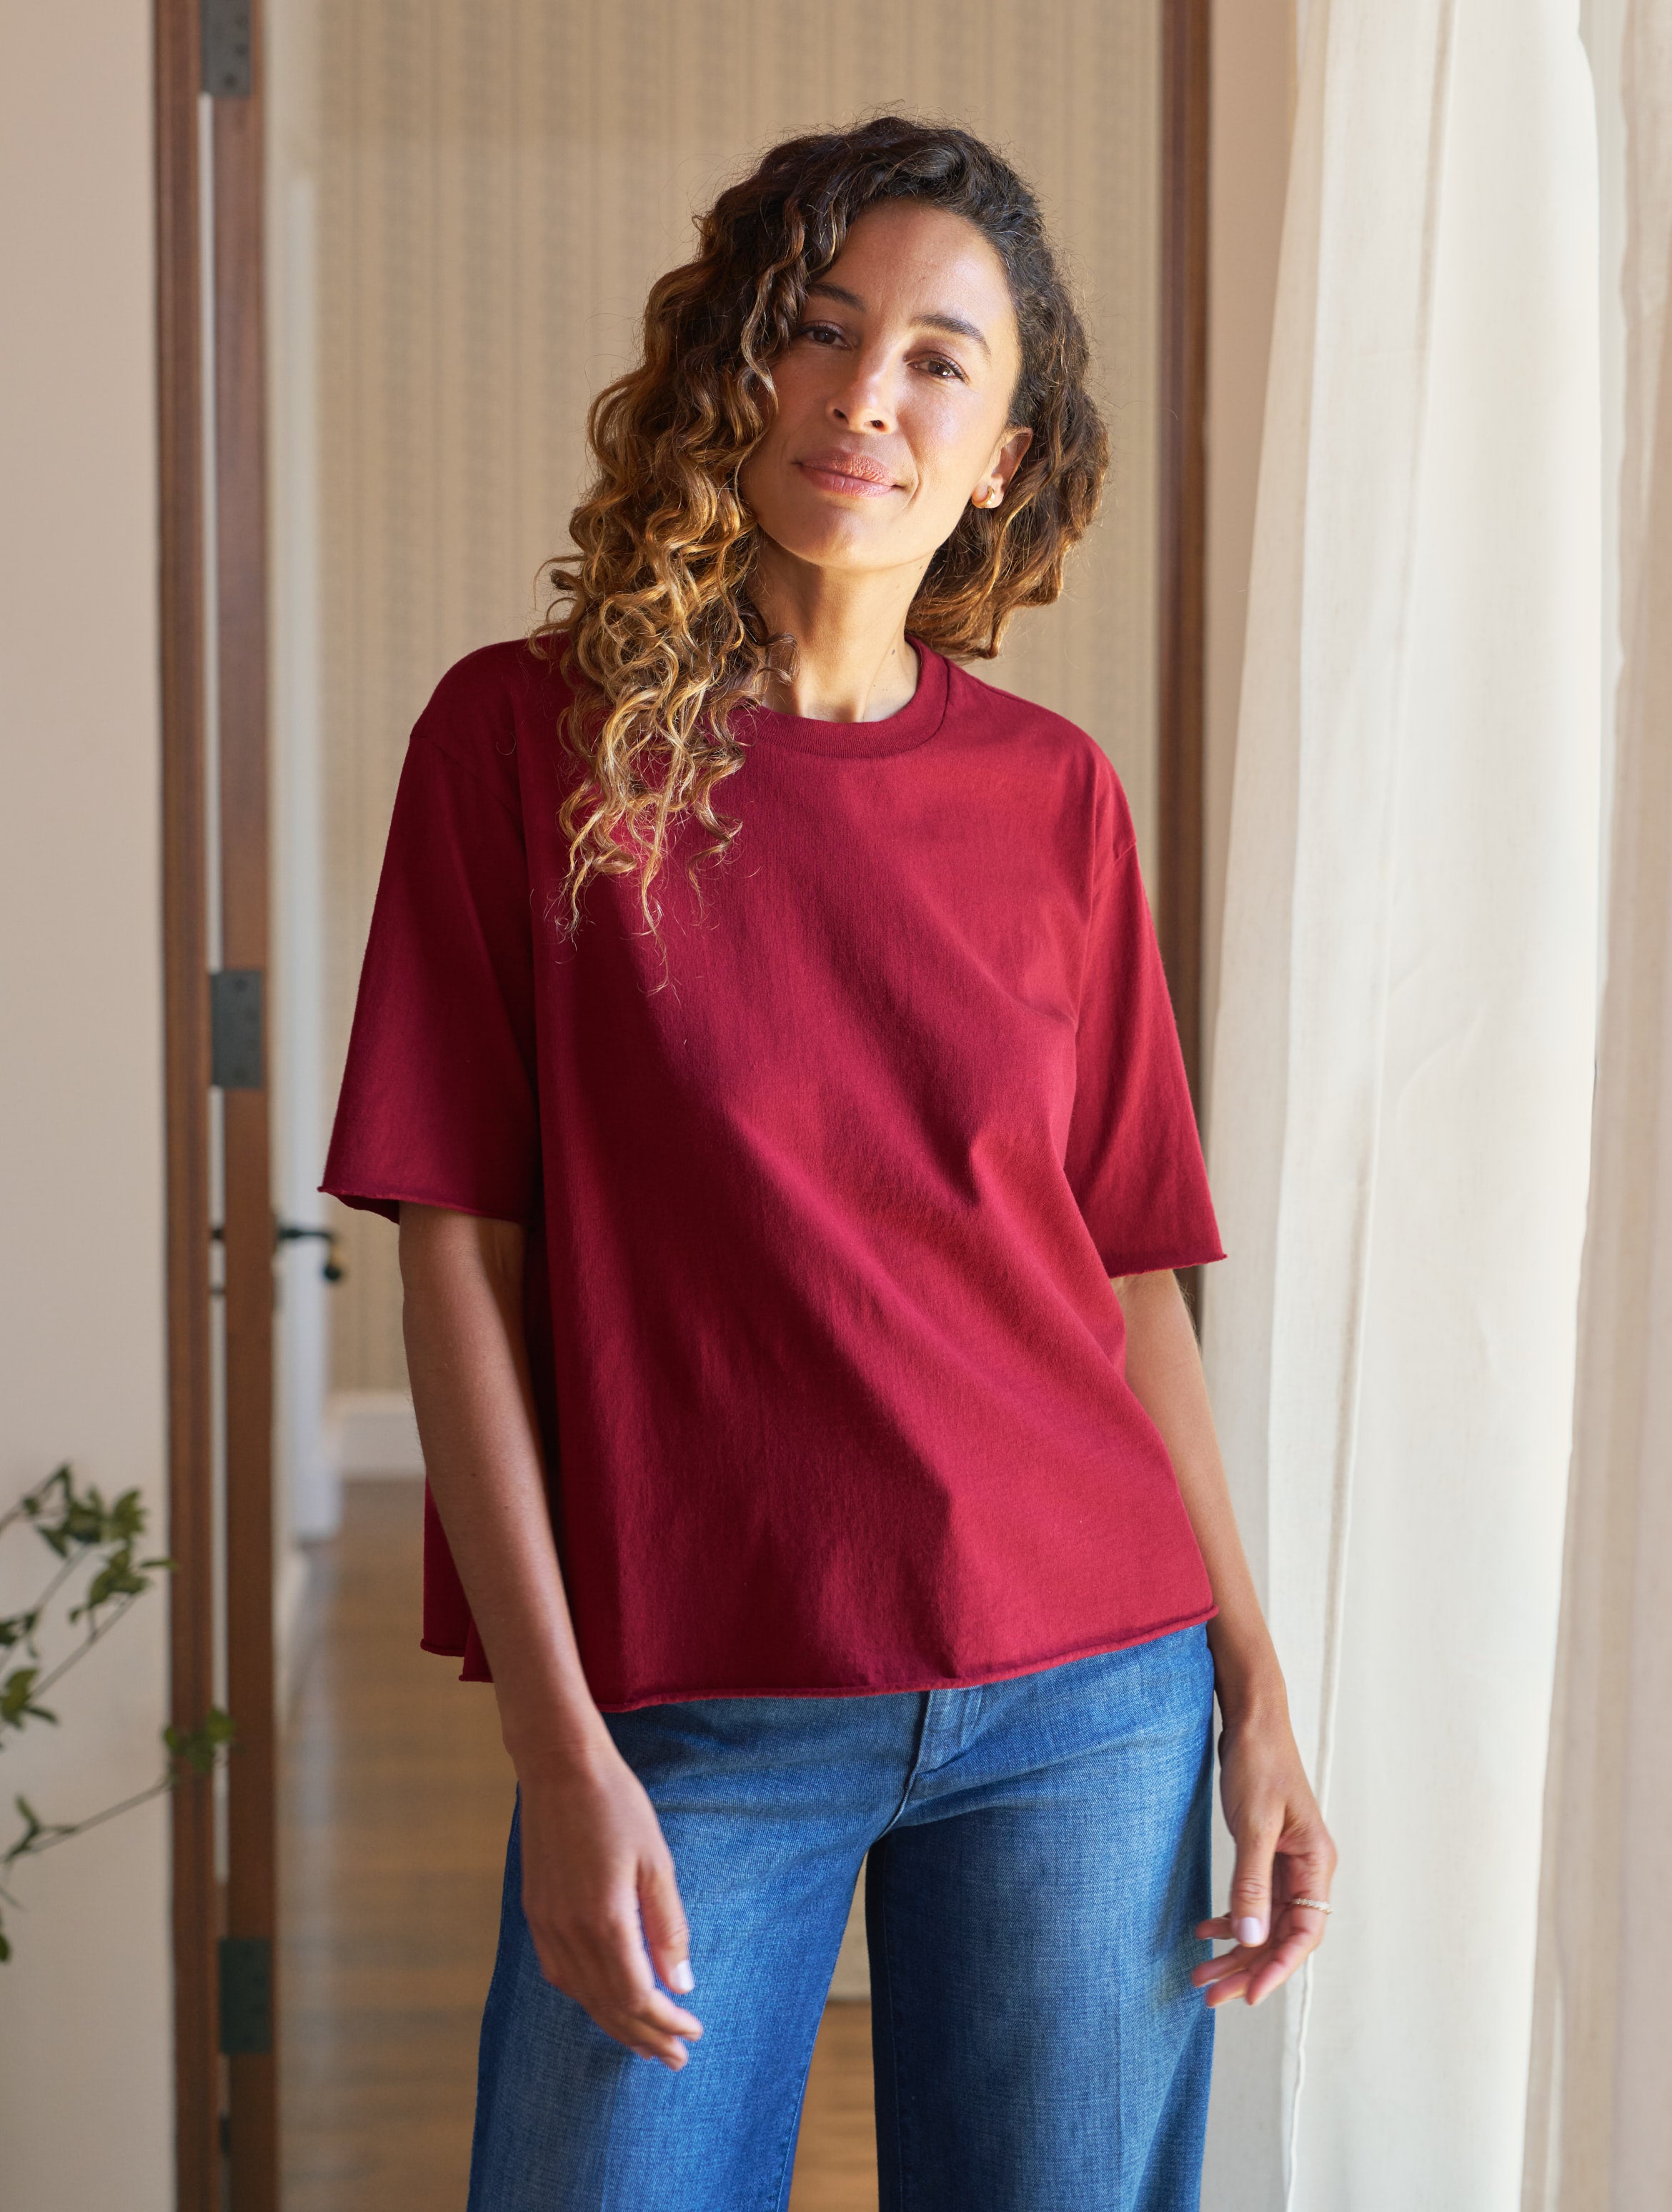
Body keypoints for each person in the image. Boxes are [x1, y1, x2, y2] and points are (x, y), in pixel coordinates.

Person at [324, 114, 1335, 2212]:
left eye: (938, 361)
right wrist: (551, 1739)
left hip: (1088, 1698)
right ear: (734, 365)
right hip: (700, 1696)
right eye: (818, 327)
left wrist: (1253, 1686)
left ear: (1004, 455)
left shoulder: (1055, 801)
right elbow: (458, 1264)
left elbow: (1125, 1274)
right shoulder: (523, 747)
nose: (865, 394)